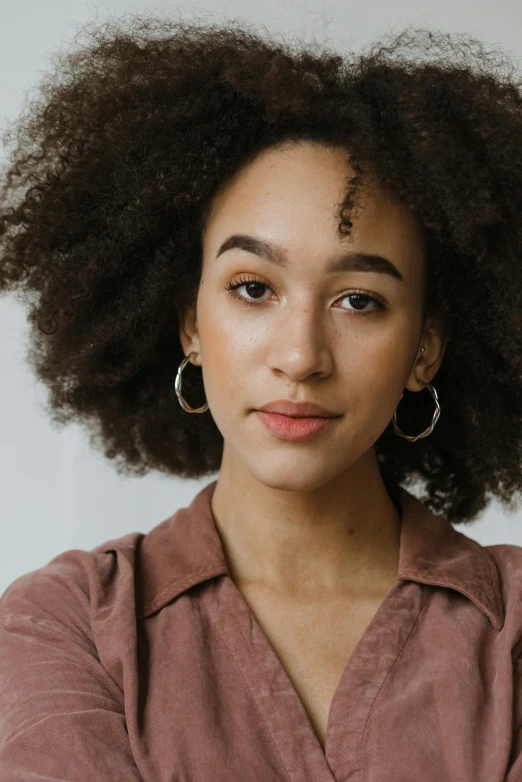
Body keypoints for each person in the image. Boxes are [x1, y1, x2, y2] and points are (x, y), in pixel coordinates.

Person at [1, 13, 522, 781]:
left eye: (360, 301)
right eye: (253, 289)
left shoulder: (512, 634)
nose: (301, 356)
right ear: (190, 325)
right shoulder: (66, 623)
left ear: (427, 349)